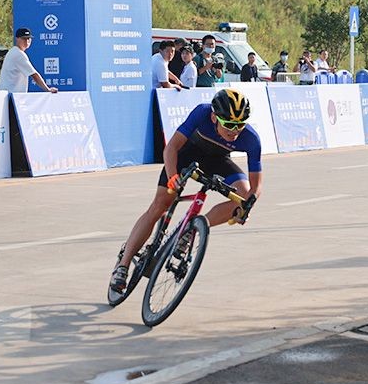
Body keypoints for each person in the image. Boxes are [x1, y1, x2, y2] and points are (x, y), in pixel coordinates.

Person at [109, 88, 262, 296]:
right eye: (229, 125)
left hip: (218, 161)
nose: (235, 131)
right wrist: (173, 177)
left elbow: (255, 185)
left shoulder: (251, 138)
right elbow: (171, 148)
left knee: (243, 197)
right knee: (160, 206)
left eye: (240, 125)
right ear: (214, 117)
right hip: (184, 157)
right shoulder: (201, 112)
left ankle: (193, 230)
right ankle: (123, 265)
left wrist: (247, 205)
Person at [0, 27, 58, 94]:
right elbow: (34, 75)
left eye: (28, 38)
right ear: (17, 39)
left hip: (7, 95)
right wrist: (48, 89)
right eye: (24, 38)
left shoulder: (13, 51)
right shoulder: (18, 54)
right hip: (11, 96)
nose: (26, 41)